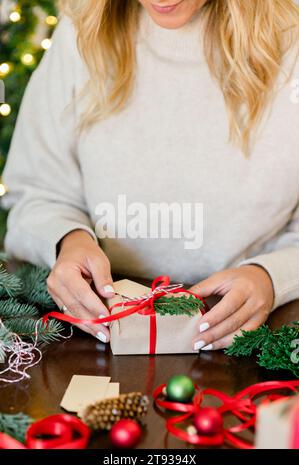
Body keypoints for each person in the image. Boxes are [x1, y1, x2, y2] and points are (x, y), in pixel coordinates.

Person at [3, 0, 299, 351]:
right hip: (96, 336)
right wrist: (69, 241)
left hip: (256, 341)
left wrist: (271, 276)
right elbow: (36, 192)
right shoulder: (81, 33)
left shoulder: (290, 42)